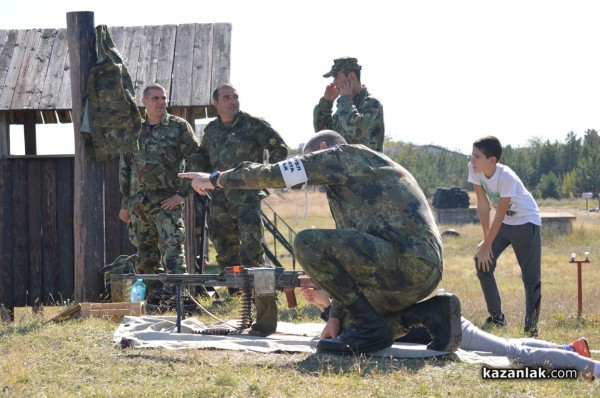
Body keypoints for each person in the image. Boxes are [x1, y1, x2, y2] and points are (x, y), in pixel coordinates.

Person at [180, 130, 460, 355]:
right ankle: (430, 313)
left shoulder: (342, 157)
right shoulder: (357, 180)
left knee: (307, 242)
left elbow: (275, 174)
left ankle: (370, 329)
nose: (309, 169)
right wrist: (336, 317)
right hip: (414, 270)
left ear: (325, 147)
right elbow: (352, 263)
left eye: (309, 158)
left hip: (406, 262)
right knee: (348, 325)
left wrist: (216, 179)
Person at [301, 287, 596, 381]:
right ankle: (570, 351)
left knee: (514, 354)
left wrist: (327, 305)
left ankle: (592, 367)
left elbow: (354, 325)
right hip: (444, 325)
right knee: (511, 346)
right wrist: (325, 306)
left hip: (450, 329)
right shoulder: (354, 305)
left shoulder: (358, 305)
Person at [195, 83, 289, 336]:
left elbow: (280, 148)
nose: (233, 101)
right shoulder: (212, 130)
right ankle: (236, 297)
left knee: (251, 249)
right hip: (220, 200)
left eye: (235, 96)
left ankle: (258, 303)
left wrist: (266, 177)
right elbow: (203, 158)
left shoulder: (254, 124)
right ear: (215, 103)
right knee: (224, 249)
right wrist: (198, 179)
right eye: (226, 97)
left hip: (247, 198)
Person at [118, 83, 199, 286]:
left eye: (163, 98)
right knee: (145, 257)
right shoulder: (134, 129)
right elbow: (125, 168)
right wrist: (125, 204)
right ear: (144, 102)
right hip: (139, 205)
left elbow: (196, 159)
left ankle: (179, 301)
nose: (161, 102)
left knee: (172, 252)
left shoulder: (178, 127)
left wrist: (182, 194)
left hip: (167, 203)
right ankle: (154, 302)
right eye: (155, 98)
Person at [468, 136, 542, 337]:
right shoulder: (474, 169)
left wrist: (487, 244)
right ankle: (497, 318)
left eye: (477, 156)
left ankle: (531, 329)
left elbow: (499, 214)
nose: (472, 160)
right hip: (505, 223)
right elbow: (483, 204)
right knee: (482, 263)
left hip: (526, 222)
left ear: (492, 160)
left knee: (530, 276)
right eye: (471, 155)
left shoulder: (506, 177)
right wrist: (486, 242)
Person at [313, 57, 385, 152]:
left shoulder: (371, 103)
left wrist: (345, 100)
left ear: (351, 77)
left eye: (336, 77)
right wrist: (326, 104)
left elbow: (357, 131)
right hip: (343, 166)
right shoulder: (344, 105)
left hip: (367, 167)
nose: (334, 82)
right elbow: (323, 135)